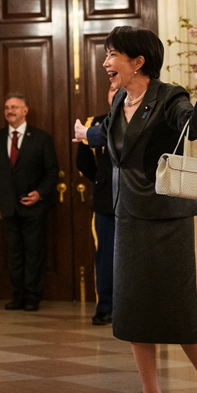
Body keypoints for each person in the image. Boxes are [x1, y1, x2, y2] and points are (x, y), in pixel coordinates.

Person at [73, 26, 197, 393]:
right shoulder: (119, 99)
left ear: (138, 61)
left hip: (167, 220)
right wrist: (86, 133)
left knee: (178, 315)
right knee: (132, 313)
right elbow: (111, 135)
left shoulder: (170, 97)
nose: (104, 63)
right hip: (127, 218)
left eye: (112, 54)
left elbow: (194, 127)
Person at [0, 93, 58, 312]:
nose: (10, 111)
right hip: (7, 207)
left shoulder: (41, 138)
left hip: (34, 207)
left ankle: (32, 296)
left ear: (25, 111)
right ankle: (17, 295)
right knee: (14, 254)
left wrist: (39, 193)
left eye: (14, 107)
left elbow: (52, 172)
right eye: (7, 107)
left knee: (34, 253)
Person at [77, 82, 120, 326]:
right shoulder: (94, 122)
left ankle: (133, 307)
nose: (115, 93)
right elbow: (83, 162)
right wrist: (101, 179)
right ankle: (105, 307)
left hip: (136, 200)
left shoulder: (141, 118)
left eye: (119, 89)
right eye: (111, 89)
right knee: (105, 256)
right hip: (105, 201)